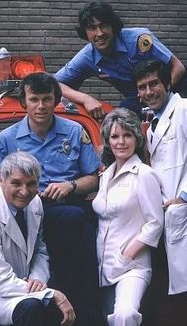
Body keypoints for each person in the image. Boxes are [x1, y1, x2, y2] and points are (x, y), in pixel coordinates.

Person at [0, 72, 104, 326]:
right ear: (24, 102)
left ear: (56, 101)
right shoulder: (7, 139)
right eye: (34, 99)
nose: (40, 106)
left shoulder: (75, 131)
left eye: (46, 99)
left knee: (84, 272)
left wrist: (70, 185)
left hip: (71, 208)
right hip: (27, 216)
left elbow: (94, 178)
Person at [0, 151, 75, 326]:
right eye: (16, 183)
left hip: (17, 283)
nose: (24, 192)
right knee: (31, 307)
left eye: (31, 184)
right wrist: (49, 293)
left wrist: (38, 280)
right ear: (1, 180)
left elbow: (39, 249)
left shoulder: (34, 203)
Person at [55, 0, 187, 120]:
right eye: (92, 28)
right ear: (85, 32)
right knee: (123, 117)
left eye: (104, 26)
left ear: (113, 26)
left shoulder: (139, 39)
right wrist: (85, 99)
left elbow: (178, 67)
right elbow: (54, 83)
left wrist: (163, 93)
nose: (100, 33)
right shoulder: (86, 56)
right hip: (140, 99)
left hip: (176, 86)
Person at [92, 108, 164, 326]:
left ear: (136, 139)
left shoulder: (144, 174)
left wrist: (127, 255)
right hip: (103, 266)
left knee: (125, 314)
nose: (121, 142)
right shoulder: (105, 175)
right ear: (108, 140)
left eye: (127, 135)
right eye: (115, 136)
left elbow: (155, 223)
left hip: (132, 266)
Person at [134, 59, 187, 325]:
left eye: (153, 84)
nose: (148, 92)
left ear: (167, 82)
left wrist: (185, 197)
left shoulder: (185, 109)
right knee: (170, 292)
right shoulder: (153, 123)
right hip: (166, 217)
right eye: (142, 87)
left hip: (182, 212)